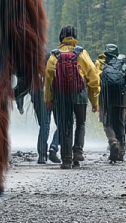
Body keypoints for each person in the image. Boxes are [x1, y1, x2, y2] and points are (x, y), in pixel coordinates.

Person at [43, 25, 100, 169]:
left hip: (61, 96)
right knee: (80, 123)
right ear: (74, 37)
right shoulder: (81, 53)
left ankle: (66, 159)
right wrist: (94, 100)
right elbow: (93, 78)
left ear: (61, 37)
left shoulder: (54, 55)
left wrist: (49, 99)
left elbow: (49, 80)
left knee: (64, 126)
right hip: (79, 94)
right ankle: (78, 151)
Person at [99, 43, 126, 162]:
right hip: (122, 100)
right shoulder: (124, 67)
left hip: (107, 100)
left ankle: (113, 142)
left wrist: (99, 102)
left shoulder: (104, 67)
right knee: (120, 124)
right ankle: (120, 152)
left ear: (106, 54)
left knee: (107, 124)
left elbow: (100, 85)